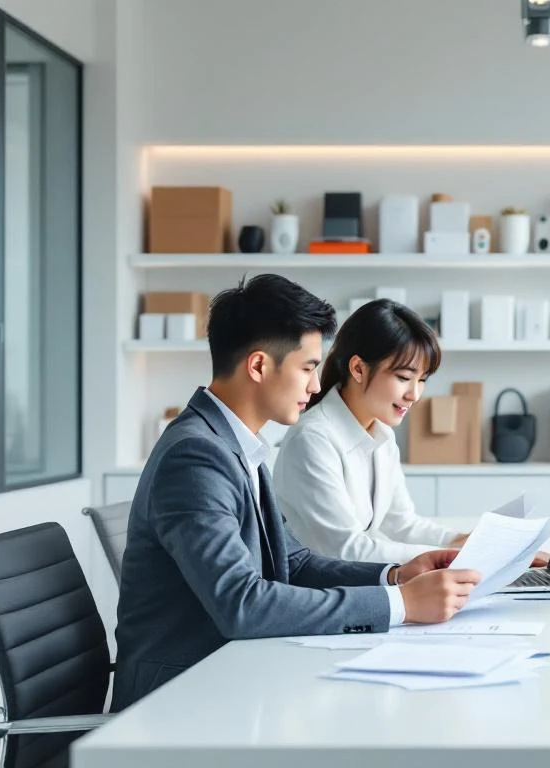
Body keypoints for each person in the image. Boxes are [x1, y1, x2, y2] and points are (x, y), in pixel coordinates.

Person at [111, 276, 480, 711]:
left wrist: (395, 576)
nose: (316, 386)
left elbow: (294, 562)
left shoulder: (236, 444)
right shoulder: (196, 455)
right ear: (258, 366)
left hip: (231, 674)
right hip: (179, 699)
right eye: (307, 368)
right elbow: (243, 604)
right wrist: (399, 604)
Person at [273, 299, 467, 561]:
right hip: (315, 582)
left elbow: (401, 523)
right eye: (403, 377)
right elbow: (345, 548)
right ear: (358, 369)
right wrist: (446, 557)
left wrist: (459, 541)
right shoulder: (313, 439)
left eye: (421, 380)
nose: (414, 395)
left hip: (354, 578)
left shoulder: (382, 434)